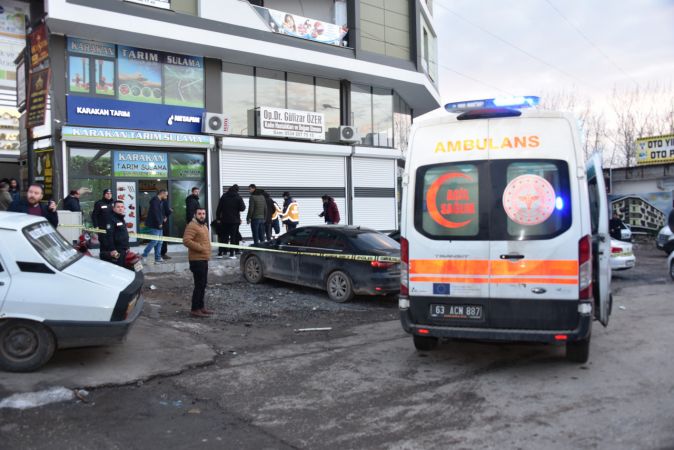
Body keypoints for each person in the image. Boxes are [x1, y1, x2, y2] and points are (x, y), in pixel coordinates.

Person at [183, 207, 213, 318]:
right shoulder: (192, 225)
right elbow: (186, 240)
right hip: (196, 260)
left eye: (203, 213)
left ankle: (201, 307)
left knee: (203, 284)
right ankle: (195, 309)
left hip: (204, 258)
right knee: (199, 285)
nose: (202, 215)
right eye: (199, 213)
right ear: (195, 215)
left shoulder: (204, 225)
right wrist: (200, 248)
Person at [215, 184, 245, 258]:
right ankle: (232, 254)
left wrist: (218, 218)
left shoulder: (224, 196)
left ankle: (221, 253)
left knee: (223, 237)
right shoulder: (238, 197)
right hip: (235, 221)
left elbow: (219, 208)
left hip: (224, 220)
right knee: (233, 237)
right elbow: (242, 208)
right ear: (237, 190)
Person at [99, 200, 130, 267]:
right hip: (117, 250)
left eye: (122, 207)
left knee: (124, 267)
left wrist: (127, 246)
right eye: (118, 207)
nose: (120, 208)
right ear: (114, 209)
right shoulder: (111, 219)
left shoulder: (121, 218)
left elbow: (124, 234)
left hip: (123, 249)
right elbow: (109, 236)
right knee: (119, 268)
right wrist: (112, 249)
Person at [142, 189, 168, 264]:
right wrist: (159, 222)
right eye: (166, 195)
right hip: (154, 224)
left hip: (159, 224)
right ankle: (144, 255)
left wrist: (164, 217)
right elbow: (155, 213)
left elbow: (160, 212)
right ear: (162, 194)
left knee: (160, 242)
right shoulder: (155, 201)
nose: (166, 196)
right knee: (154, 241)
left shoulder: (160, 201)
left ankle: (157, 258)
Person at [160, 194, 173, 260]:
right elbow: (167, 211)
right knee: (164, 239)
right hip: (163, 223)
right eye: (166, 195)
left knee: (160, 239)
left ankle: (159, 254)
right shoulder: (164, 201)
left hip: (160, 223)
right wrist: (170, 210)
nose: (167, 196)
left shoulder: (158, 201)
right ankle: (162, 254)